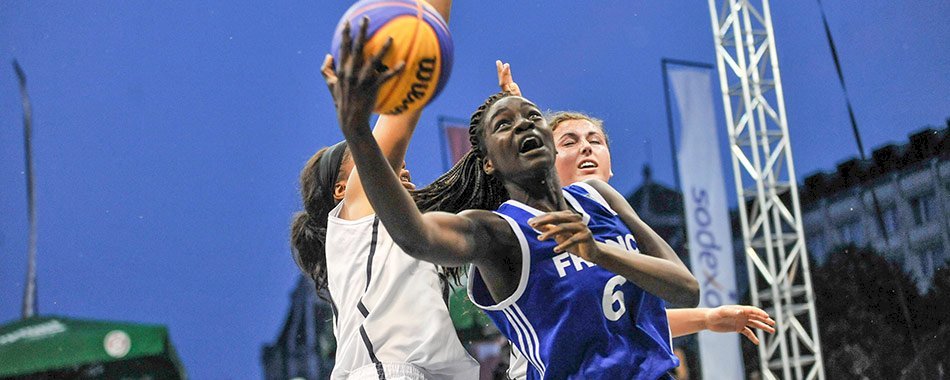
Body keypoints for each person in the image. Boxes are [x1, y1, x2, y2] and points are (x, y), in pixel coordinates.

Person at [324, 22, 700, 379]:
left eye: (533, 117)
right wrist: (358, 130)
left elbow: (686, 289)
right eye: (504, 125)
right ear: (487, 162)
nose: (523, 124)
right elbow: (415, 235)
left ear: (551, 143)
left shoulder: (599, 196)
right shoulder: (498, 234)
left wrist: (599, 252)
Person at [496, 61, 776, 379]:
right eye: (570, 142)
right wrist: (519, 119)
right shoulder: (526, 225)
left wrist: (708, 318)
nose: (586, 146)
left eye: (595, 140)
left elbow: (622, 320)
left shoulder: (616, 222)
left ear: (611, 166)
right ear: (545, 159)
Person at [290, 3, 480, 379]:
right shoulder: (356, 218)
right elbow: (406, 101)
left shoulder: (398, 238)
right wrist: (428, 15)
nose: (399, 167)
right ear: (343, 190)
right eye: (374, 159)